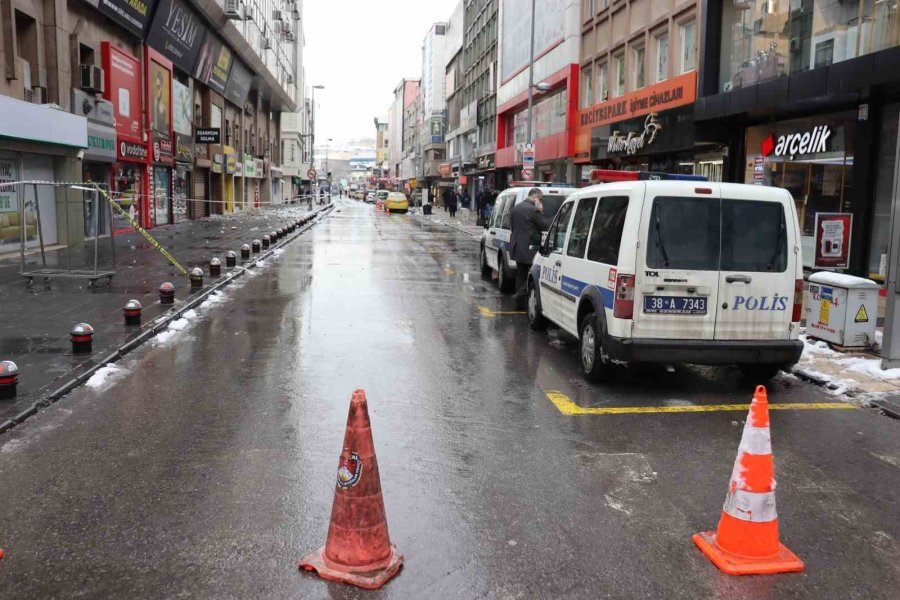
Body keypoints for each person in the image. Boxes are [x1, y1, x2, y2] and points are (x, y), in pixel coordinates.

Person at [509, 188, 549, 307]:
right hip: (529, 248)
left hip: (517, 246)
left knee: (521, 274)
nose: (541, 202)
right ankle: (521, 295)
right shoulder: (533, 210)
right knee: (532, 274)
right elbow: (544, 226)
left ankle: (520, 302)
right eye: (540, 199)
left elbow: (513, 226)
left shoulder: (516, 208)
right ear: (535, 197)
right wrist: (541, 211)